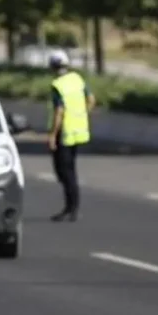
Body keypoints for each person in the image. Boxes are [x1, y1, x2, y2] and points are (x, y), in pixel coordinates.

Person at [47, 50, 95, 222]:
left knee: (65, 172)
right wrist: (82, 115)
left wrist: (52, 135)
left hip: (64, 133)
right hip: (78, 131)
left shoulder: (57, 85)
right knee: (70, 171)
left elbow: (59, 111)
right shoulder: (77, 79)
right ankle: (71, 207)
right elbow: (91, 99)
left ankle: (71, 208)